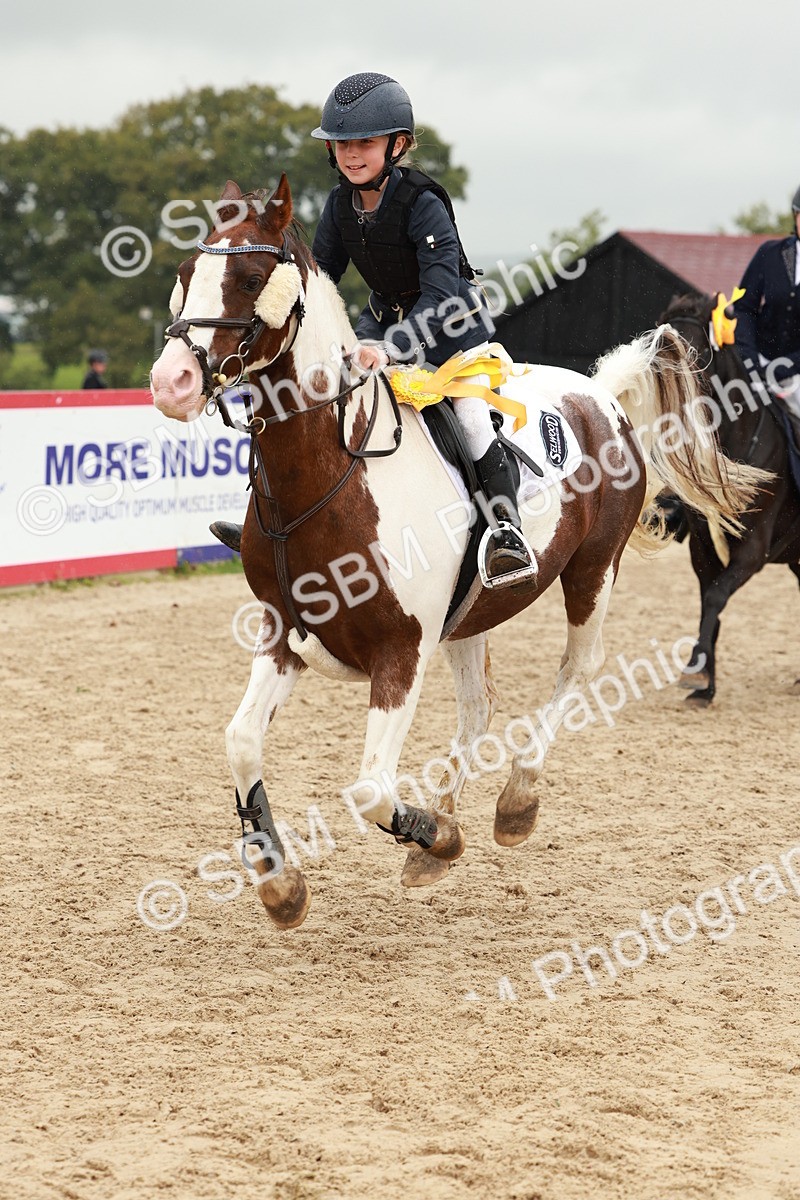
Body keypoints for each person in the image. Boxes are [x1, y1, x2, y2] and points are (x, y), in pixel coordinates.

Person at [212, 72, 535, 587]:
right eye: (342, 144)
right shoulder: (340, 205)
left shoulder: (424, 202)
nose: (351, 154)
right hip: (380, 327)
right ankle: (267, 521)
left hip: (453, 334)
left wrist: (390, 349)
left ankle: (506, 532)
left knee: (473, 421)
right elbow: (317, 279)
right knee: (304, 400)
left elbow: (441, 297)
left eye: (365, 142)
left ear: (397, 144)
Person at [733, 186, 800, 443]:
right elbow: (744, 307)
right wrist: (750, 360)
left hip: (796, 374)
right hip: (758, 361)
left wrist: (782, 369)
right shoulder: (770, 254)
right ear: (795, 217)